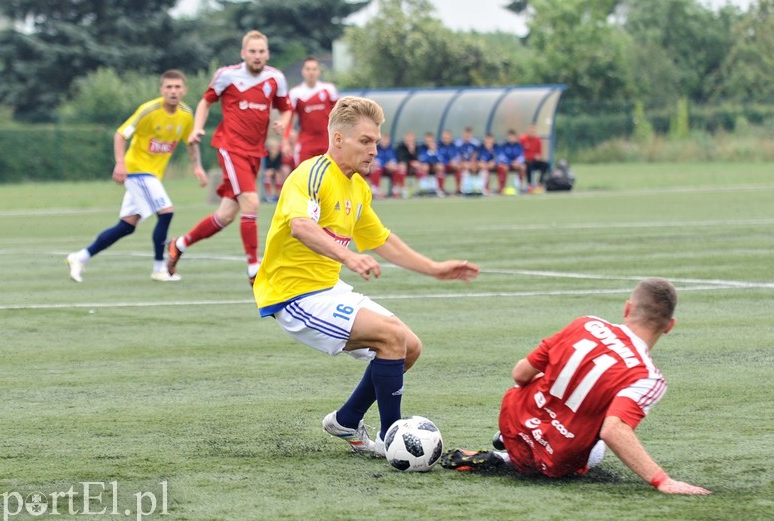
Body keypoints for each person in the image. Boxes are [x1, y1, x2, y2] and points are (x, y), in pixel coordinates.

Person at [253, 96, 480, 456]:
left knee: (409, 347)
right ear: (338, 139)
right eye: (365, 141)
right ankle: (395, 441)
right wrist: (347, 255)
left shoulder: (358, 187)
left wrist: (435, 268)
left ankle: (347, 419)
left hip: (327, 289)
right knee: (390, 337)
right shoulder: (312, 174)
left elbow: (382, 240)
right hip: (294, 296)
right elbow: (300, 227)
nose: (374, 149)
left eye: (376, 141)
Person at [441, 278, 711, 496]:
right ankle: (509, 457)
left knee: (543, 381)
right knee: (598, 438)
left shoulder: (586, 323)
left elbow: (520, 374)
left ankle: (510, 445)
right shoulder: (647, 376)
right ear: (669, 326)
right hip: (557, 459)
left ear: (627, 308)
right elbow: (613, 430)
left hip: (515, 418)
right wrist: (661, 480)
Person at [167, 30, 293, 285]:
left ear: (267, 54)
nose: (257, 56)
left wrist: (283, 123)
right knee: (252, 202)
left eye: (261, 52)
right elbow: (205, 102)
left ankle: (179, 244)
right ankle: (253, 269)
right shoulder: (227, 75)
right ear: (243, 53)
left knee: (225, 215)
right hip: (230, 147)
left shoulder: (275, 78)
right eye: (252, 51)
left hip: (255, 152)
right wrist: (197, 128)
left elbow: (287, 108)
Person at [66, 70, 207, 283]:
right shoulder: (149, 110)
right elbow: (121, 134)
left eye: (177, 87)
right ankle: (160, 268)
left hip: (152, 176)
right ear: (161, 90)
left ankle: (80, 257)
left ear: (184, 90)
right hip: (137, 170)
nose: (173, 91)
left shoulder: (186, 114)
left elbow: (191, 142)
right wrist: (120, 164)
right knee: (166, 213)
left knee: (127, 226)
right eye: (168, 87)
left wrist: (197, 166)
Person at [284, 57, 338, 166]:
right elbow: (288, 119)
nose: (311, 72)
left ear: (319, 71)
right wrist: (285, 141)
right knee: (304, 178)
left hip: (328, 142)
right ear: (303, 72)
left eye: (314, 69)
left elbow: (339, 114)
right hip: (306, 143)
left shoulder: (329, 89)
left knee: (331, 178)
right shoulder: (295, 93)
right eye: (308, 69)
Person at [367, 133, 403, 199]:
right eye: (384, 140)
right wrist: (385, 165)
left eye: (387, 140)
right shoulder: (376, 149)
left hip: (389, 169)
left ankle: (397, 190)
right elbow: (374, 161)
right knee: (376, 169)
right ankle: (376, 191)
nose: (385, 142)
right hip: (379, 168)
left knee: (399, 170)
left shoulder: (391, 149)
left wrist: (393, 165)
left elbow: (394, 160)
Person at [519, 124, 549, 192]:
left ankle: (539, 185)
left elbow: (539, 153)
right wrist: (532, 156)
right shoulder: (523, 139)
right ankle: (529, 185)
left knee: (545, 164)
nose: (532, 132)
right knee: (528, 164)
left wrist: (537, 156)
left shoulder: (537, 140)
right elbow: (522, 154)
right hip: (525, 161)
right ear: (527, 131)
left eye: (533, 131)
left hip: (534, 160)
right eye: (530, 131)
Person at [497, 129, 526, 194]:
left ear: (515, 137)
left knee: (523, 167)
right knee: (502, 167)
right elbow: (501, 157)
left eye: (513, 136)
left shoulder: (519, 146)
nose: (511, 138)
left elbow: (522, 156)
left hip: (516, 164)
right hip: (507, 164)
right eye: (510, 136)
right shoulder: (504, 146)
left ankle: (519, 187)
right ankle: (502, 188)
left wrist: (517, 162)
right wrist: (509, 162)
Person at [394, 131, 422, 198]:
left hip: (412, 168)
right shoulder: (400, 147)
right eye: (408, 139)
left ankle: (420, 188)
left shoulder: (416, 148)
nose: (410, 141)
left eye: (411, 140)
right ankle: (403, 189)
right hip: (402, 166)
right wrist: (410, 161)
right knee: (402, 166)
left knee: (421, 166)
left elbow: (418, 158)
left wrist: (412, 152)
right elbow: (400, 158)